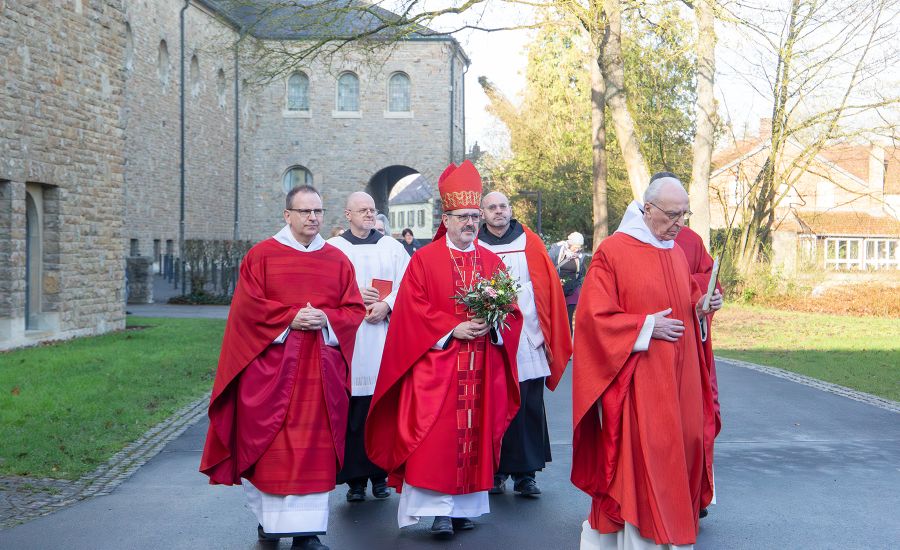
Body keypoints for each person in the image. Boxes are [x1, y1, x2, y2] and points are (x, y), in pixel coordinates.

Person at [200, 185, 366, 550]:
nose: (313, 218)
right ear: (287, 215)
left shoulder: (337, 260)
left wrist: (326, 318)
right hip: (272, 373)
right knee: (270, 448)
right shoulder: (262, 256)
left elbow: (354, 310)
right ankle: (269, 523)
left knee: (314, 452)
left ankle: (307, 533)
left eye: (318, 211)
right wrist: (289, 318)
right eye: (305, 211)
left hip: (321, 375)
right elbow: (247, 310)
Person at [365, 160, 523, 539]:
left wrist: (493, 324)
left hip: (481, 367)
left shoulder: (491, 261)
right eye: (462, 216)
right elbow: (411, 311)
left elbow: (512, 311)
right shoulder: (424, 259)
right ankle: (438, 511)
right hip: (437, 368)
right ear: (446, 219)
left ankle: (464, 509)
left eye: (474, 216)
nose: (470, 223)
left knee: (474, 434)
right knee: (436, 438)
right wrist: (453, 328)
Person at [571, 175, 722, 550]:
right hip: (639, 383)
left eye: (684, 215)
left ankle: (672, 537)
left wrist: (702, 306)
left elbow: (686, 301)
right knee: (645, 459)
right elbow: (592, 318)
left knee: (683, 449)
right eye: (672, 215)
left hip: (681, 381)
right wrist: (645, 326)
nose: (679, 224)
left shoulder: (674, 252)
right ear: (648, 208)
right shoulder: (613, 251)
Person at [478, 191, 573, 497]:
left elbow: (546, 289)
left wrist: (527, 311)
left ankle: (526, 475)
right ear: (482, 213)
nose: (498, 212)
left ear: (510, 210)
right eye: (492, 207)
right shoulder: (474, 244)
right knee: (493, 406)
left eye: (503, 206)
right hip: (491, 337)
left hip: (528, 335)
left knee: (528, 405)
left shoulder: (529, 241)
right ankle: (495, 471)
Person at [327, 192, 410, 503]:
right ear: (347, 214)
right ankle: (355, 481)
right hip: (349, 341)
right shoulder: (333, 249)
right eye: (362, 210)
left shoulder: (392, 248)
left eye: (372, 210)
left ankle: (380, 476)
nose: (369, 214)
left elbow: (410, 285)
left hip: (383, 336)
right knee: (352, 411)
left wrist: (387, 305)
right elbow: (323, 290)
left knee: (381, 409)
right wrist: (352, 297)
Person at [549, 232, 586, 332]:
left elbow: (580, 274)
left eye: (579, 247)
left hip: (572, 290)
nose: (577, 249)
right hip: (557, 288)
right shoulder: (557, 251)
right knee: (556, 317)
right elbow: (548, 266)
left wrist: (577, 286)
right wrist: (556, 280)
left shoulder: (580, 256)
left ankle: (569, 340)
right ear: (570, 244)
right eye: (575, 247)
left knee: (568, 319)